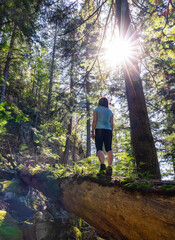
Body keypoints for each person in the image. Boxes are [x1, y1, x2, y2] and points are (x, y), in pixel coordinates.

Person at [91, 97, 113, 176]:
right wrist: (111, 131)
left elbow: (94, 121)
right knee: (109, 148)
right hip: (108, 131)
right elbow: (112, 123)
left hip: (99, 129)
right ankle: (110, 167)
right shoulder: (110, 111)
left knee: (99, 148)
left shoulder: (96, 109)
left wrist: (92, 131)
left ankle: (103, 166)